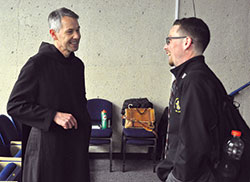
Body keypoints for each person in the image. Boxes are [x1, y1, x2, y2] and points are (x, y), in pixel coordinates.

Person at [7, 7, 91, 182]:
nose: (77, 36)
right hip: (48, 149)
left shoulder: (77, 65)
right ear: (54, 34)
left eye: (78, 29)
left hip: (74, 147)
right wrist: (53, 115)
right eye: (70, 31)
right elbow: (14, 105)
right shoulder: (37, 64)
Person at [156, 17, 228, 182]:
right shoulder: (192, 77)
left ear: (186, 42)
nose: (165, 47)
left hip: (189, 176)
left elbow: (195, 141)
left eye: (169, 40)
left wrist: (177, 177)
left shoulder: (195, 81)